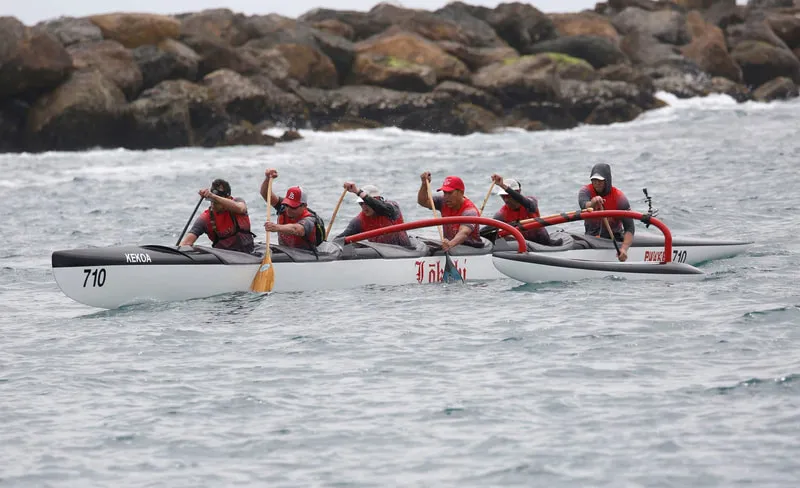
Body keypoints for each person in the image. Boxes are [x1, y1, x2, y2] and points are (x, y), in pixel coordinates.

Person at [180, 178, 255, 253]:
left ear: (228, 198)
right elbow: (186, 243)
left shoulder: (238, 202)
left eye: (216, 202)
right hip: (223, 256)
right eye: (211, 201)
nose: (213, 205)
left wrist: (213, 196)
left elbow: (241, 209)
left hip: (249, 253)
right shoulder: (205, 218)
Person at [578, 163, 634, 261]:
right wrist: (593, 202)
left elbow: (629, 227)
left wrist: (624, 249)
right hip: (590, 238)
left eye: (600, 180)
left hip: (613, 240)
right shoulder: (585, 191)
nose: (597, 183)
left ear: (607, 180)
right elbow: (584, 205)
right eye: (594, 180)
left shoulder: (619, 198)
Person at [260, 168, 324, 251]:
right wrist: (268, 178)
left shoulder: (309, 219)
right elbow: (266, 194)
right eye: (287, 205)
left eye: (293, 206)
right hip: (286, 252)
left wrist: (276, 227)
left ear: (304, 206)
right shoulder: (283, 207)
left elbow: (296, 229)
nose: (288, 209)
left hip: (306, 254)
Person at [417, 172, 483, 251]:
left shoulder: (470, 211)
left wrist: (450, 245)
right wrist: (424, 184)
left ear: (461, 193)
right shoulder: (443, 202)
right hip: (451, 246)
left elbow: (464, 233)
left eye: (450, 193)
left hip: (471, 247)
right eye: (445, 193)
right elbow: (423, 202)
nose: (446, 197)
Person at [487, 174, 555, 246]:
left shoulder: (531, 202)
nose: (506, 200)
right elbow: (488, 229)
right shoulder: (501, 214)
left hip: (542, 240)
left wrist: (503, 186)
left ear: (518, 192)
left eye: (508, 196)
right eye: (503, 196)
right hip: (523, 243)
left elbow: (524, 201)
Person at [336, 182, 411, 247]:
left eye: (366, 203)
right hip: (381, 254)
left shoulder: (392, 208)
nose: (364, 207)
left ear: (377, 200)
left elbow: (381, 207)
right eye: (361, 203)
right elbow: (339, 240)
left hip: (405, 249)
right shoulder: (359, 221)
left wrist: (358, 191)